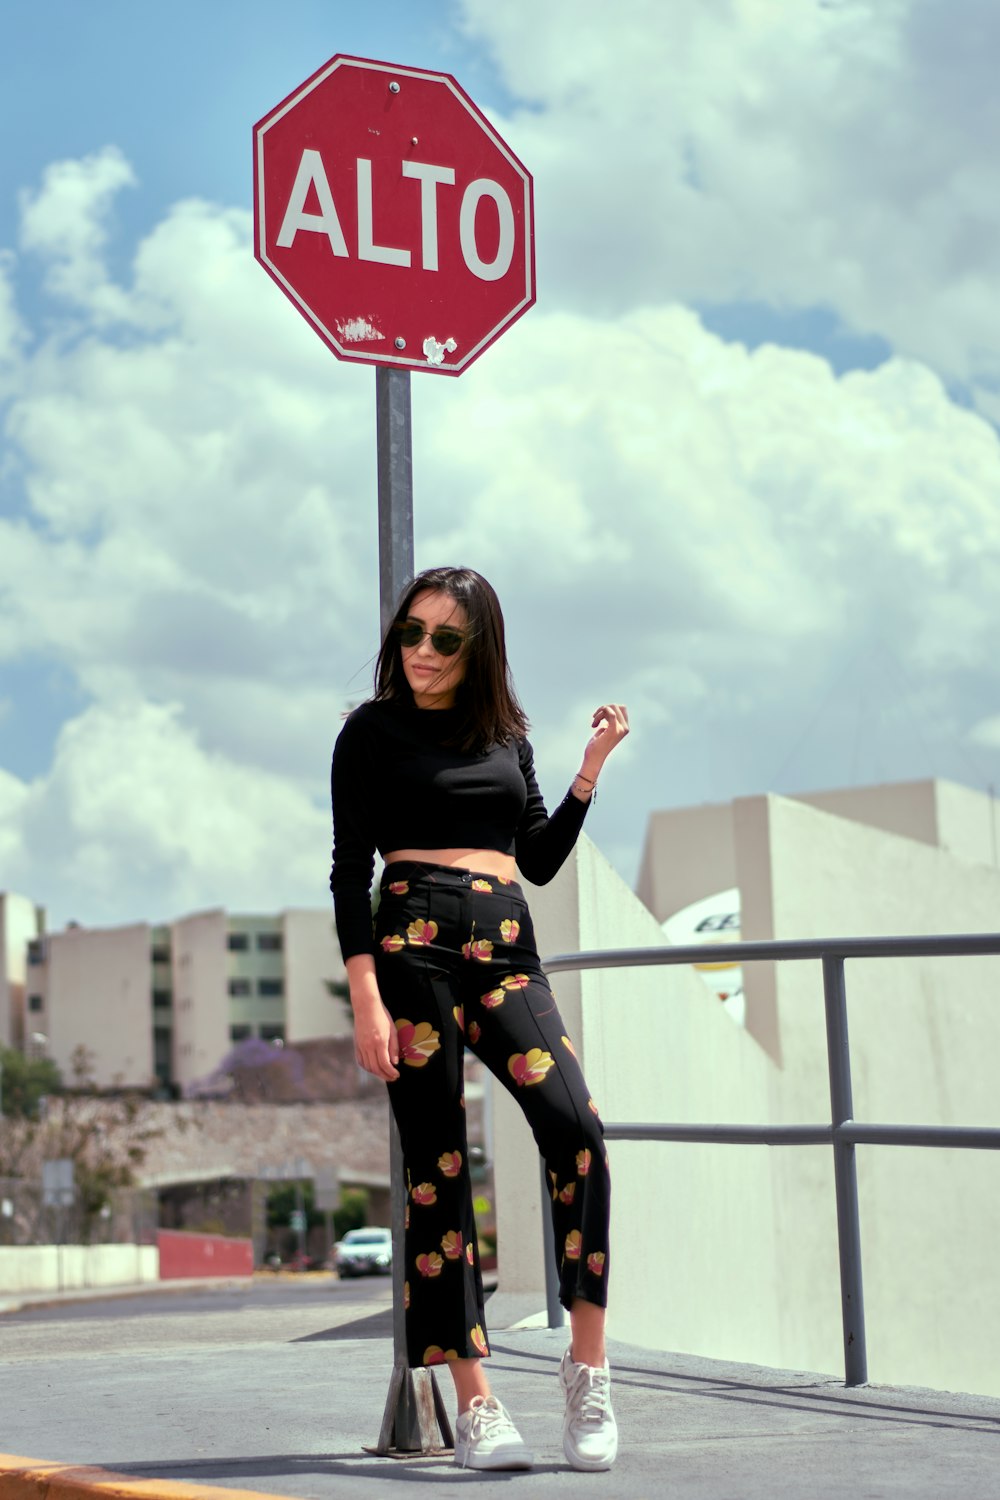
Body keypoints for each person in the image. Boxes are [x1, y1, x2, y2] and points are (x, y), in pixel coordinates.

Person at [329, 565, 629, 1472]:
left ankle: (588, 1371)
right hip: (410, 947)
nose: (422, 652)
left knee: (578, 1129)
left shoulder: (509, 738)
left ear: (480, 648)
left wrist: (586, 775)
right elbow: (349, 873)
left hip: (506, 946)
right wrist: (366, 998)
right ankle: (477, 1401)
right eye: (411, 634)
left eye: (444, 640)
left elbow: (535, 859)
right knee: (439, 1168)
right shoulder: (369, 733)